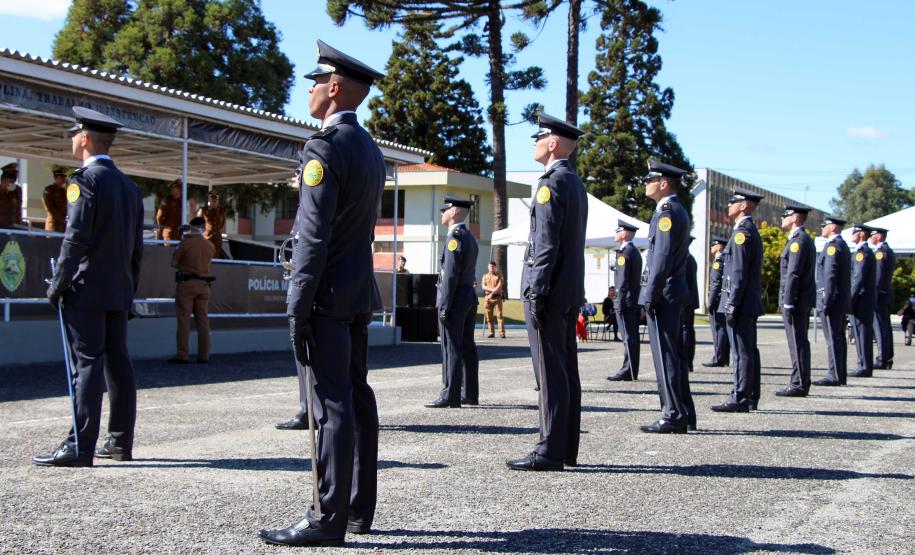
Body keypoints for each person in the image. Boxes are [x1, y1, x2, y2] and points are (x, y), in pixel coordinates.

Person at [257, 40, 385, 547]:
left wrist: (297, 301)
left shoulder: (324, 148)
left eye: (315, 81)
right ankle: (356, 508)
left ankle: (327, 518)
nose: (308, 88)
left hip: (327, 294)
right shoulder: (369, 149)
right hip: (355, 290)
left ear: (334, 89)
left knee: (331, 405)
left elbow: (312, 234)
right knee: (355, 398)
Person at [35, 106, 144, 467]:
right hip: (118, 288)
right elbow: (136, 251)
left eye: (73, 134)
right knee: (118, 364)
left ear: (83, 138)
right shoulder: (130, 188)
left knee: (86, 366)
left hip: (86, 289)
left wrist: (58, 285)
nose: (71, 139)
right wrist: (130, 290)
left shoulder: (84, 181)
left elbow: (76, 239)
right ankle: (119, 442)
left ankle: (80, 446)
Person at [506, 112, 586, 471]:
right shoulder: (574, 181)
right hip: (568, 289)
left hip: (550, 290)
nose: (535, 143)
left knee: (550, 373)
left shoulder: (550, 183)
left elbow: (545, 243)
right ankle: (565, 447)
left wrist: (536, 289)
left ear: (553, 143)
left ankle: (550, 449)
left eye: (538, 137)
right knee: (565, 370)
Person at [636, 160, 695, 434]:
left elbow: (659, 259)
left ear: (664, 183)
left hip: (664, 293)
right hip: (672, 291)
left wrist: (649, 294)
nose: (645, 183)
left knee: (666, 355)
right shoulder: (675, 210)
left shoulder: (667, 213)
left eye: (650, 179)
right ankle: (683, 412)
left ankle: (673, 414)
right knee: (673, 354)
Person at [712, 188, 764, 413]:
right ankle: (749, 395)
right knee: (747, 350)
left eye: (733, 202)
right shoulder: (745, 230)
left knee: (741, 352)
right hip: (744, 300)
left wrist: (732, 302)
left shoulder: (743, 232)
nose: (729, 206)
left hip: (741, 302)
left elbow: (739, 272)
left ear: (743, 205)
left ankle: (740, 396)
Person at [425, 196, 480, 408]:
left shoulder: (454, 238)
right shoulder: (469, 237)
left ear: (454, 212)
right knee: (467, 346)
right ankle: (470, 393)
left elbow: (450, 275)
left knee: (451, 347)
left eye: (445, 210)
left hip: (455, 298)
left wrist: (445, 305)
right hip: (467, 296)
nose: (442, 214)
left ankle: (450, 393)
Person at [775, 205, 816, 397]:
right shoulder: (800, 239)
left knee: (797, 341)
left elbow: (793, 273)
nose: (782, 219)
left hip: (796, 300)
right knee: (797, 341)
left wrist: (788, 301)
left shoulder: (798, 241)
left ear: (794, 218)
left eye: (785, 216)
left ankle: (799, 383)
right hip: (799, 299)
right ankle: (799, 380)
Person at [169, 216, 215, 364]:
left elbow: (174, 262)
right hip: (204, 285)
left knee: (184, 320)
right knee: (203, 321)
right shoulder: (210, 245)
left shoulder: (186, 243)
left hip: (187, 284)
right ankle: (204, 355)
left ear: (191, 227)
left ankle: (182, 354)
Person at [813, 216, 851, 386]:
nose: (822, 227)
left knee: (833, 338)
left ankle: (834, 374)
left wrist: (826, 300)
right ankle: (838, 373)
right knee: (838, 337)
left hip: (831, 300)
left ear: (833, 227)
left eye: (825, 225)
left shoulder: (833, 247)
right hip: (837, 300)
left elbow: (830, 275)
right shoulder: (840, 245)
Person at [607, 220, 641, 381]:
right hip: (631, 300)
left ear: (624, 234)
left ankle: (628, 370)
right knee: (631, 336)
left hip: (625, 302)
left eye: (617, 230)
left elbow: (622, 282)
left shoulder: (625, 253)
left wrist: (618, 302)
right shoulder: (633, 252)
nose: (615, 233)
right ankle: (631, 369)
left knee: (628, 337)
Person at [848, 223, 877, 378]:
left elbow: (858, 279)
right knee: (859, 333)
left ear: (860, 234)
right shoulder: (863, 252)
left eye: (854, 232)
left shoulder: (862, 253)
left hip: (862, 299)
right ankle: (862, 364)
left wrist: (850, 299)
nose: (852, 235)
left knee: (862, 333)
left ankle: (864, 366)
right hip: (863, 298)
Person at [870, 227, 896, 369]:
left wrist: (873, 295)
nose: (870, 237)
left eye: (873, 235)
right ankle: (887, 358)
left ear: (879, 236)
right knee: (885, 327)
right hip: (885, 294)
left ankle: (882, 359)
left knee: (880, 328)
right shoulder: (888, 251)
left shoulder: (880, 252)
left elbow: (878, 277)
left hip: (879, 295)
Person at [703, 239, 730, 367]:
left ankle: (719, 358)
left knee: (718, 328)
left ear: (719, 247)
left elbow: (716, 283)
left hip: (717, 299)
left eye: (713, 245)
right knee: (722, 329)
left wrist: (711, 301)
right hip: (722, 298)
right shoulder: (726, 259)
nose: (711, 247)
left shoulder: (718, 261)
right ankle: (724, 357)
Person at [681, 237, 700, 373]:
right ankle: (688, 362)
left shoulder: (684, 259)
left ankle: (687, 362)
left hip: (685, 301)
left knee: (685, 331)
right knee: (687, 330)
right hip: (689, 300)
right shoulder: (689, 258)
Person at [197, 191, 227, 258]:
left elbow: (222, 225)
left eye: (215, 198)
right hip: (206, 240)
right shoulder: (203, 210)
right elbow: (197, 225)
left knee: (216, 260)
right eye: (212, 198)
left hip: (217, 241)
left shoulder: (222, 211)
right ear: (209, 200)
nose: (214, 200)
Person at [482, 261, 506, 338]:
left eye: (493, 266)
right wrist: (491, 291)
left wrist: (492, 293)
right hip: (488, 298)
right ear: (488, 267)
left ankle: (501, 332)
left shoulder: (499, 275)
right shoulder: (485, 276)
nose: (491, 268)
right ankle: (491, 332)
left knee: (499, 316)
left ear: (495, 267)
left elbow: (499, 286)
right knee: (489, 317)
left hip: (497, 298)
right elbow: (483, 286)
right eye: (490, 266)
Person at [42, 166, 69, 232]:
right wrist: (62, 218)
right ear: (56, 177)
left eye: (64, 177)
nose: (63, 179)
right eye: (62, 177)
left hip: (63, 226)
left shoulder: (63, 191)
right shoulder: (50, 190)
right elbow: (49, 208)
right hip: (53, 225)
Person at [0, 163, 22, 229]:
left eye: (13, 181)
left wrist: (19, 224)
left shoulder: (17, 190)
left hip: (13, 226)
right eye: (10, 181)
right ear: (3, 180)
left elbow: (18, 209)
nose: (12, 184)